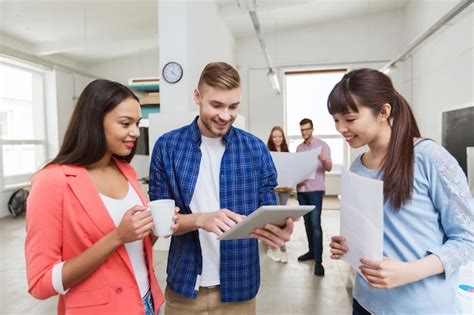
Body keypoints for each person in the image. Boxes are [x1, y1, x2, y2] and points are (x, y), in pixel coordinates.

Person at [149, 62, 294, 315]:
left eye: (233, 106)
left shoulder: (255, 149)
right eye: (216, 105)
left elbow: (268, 208)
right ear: (197, 96)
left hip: (239, 286)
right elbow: (160, 223)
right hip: (185, 286)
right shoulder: (168, 147)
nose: (225, 115)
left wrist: (279, 228)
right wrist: (201, 219)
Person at [328, 68, 474, 314]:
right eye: (336, 120)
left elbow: (467, 239)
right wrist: (348, 246)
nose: (341, 128)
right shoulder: (357, 166)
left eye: (350, 119)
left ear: (383, 112)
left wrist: (409, 271)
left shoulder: (430, 158)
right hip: (365, 303)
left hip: (421, 306)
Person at [25, 79, 177, 315]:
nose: (135, 132)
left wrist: (154, 228)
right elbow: (40, 283)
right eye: (125, 123)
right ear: (94, 122)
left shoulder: (125, 170)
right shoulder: (52, 181)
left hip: (146, 302)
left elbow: (134, 249)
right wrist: (117, 237)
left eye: (137, 123)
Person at [296, 118, 332, 276]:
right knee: (307, 223)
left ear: (312, 129)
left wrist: (324, 160)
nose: (305, 132)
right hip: (301, 190)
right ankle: (311, 252)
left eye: (307, 129)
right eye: (302, 130)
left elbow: (329, 168)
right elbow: (297, 168)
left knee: (315, 224)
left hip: (316, 190)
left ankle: (319, 261)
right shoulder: (299, 148)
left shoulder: (322, 146)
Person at [266, 126, 292, 263]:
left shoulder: (287, 152)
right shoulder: (267, 152)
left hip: (285, 189)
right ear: (271, 138)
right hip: (274, 189)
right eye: (275, 136)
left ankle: (274, 247)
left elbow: (291, 170)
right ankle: (279, 248)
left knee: (283, 219)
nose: (277, 139)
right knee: (277, 218)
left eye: (280, 136)